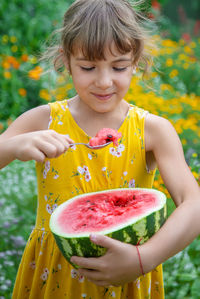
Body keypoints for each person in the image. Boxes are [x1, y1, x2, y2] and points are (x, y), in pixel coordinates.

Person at [0, 0, 200, 298]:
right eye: (88, 67)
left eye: (118, 67)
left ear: (136, 62)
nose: (104, 82)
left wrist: (144, 258)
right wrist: (13, 146)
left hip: (128, 277)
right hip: (52, 276)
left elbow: (193, 205)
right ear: (65, 60)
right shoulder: (43, 120)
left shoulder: (153, 130)